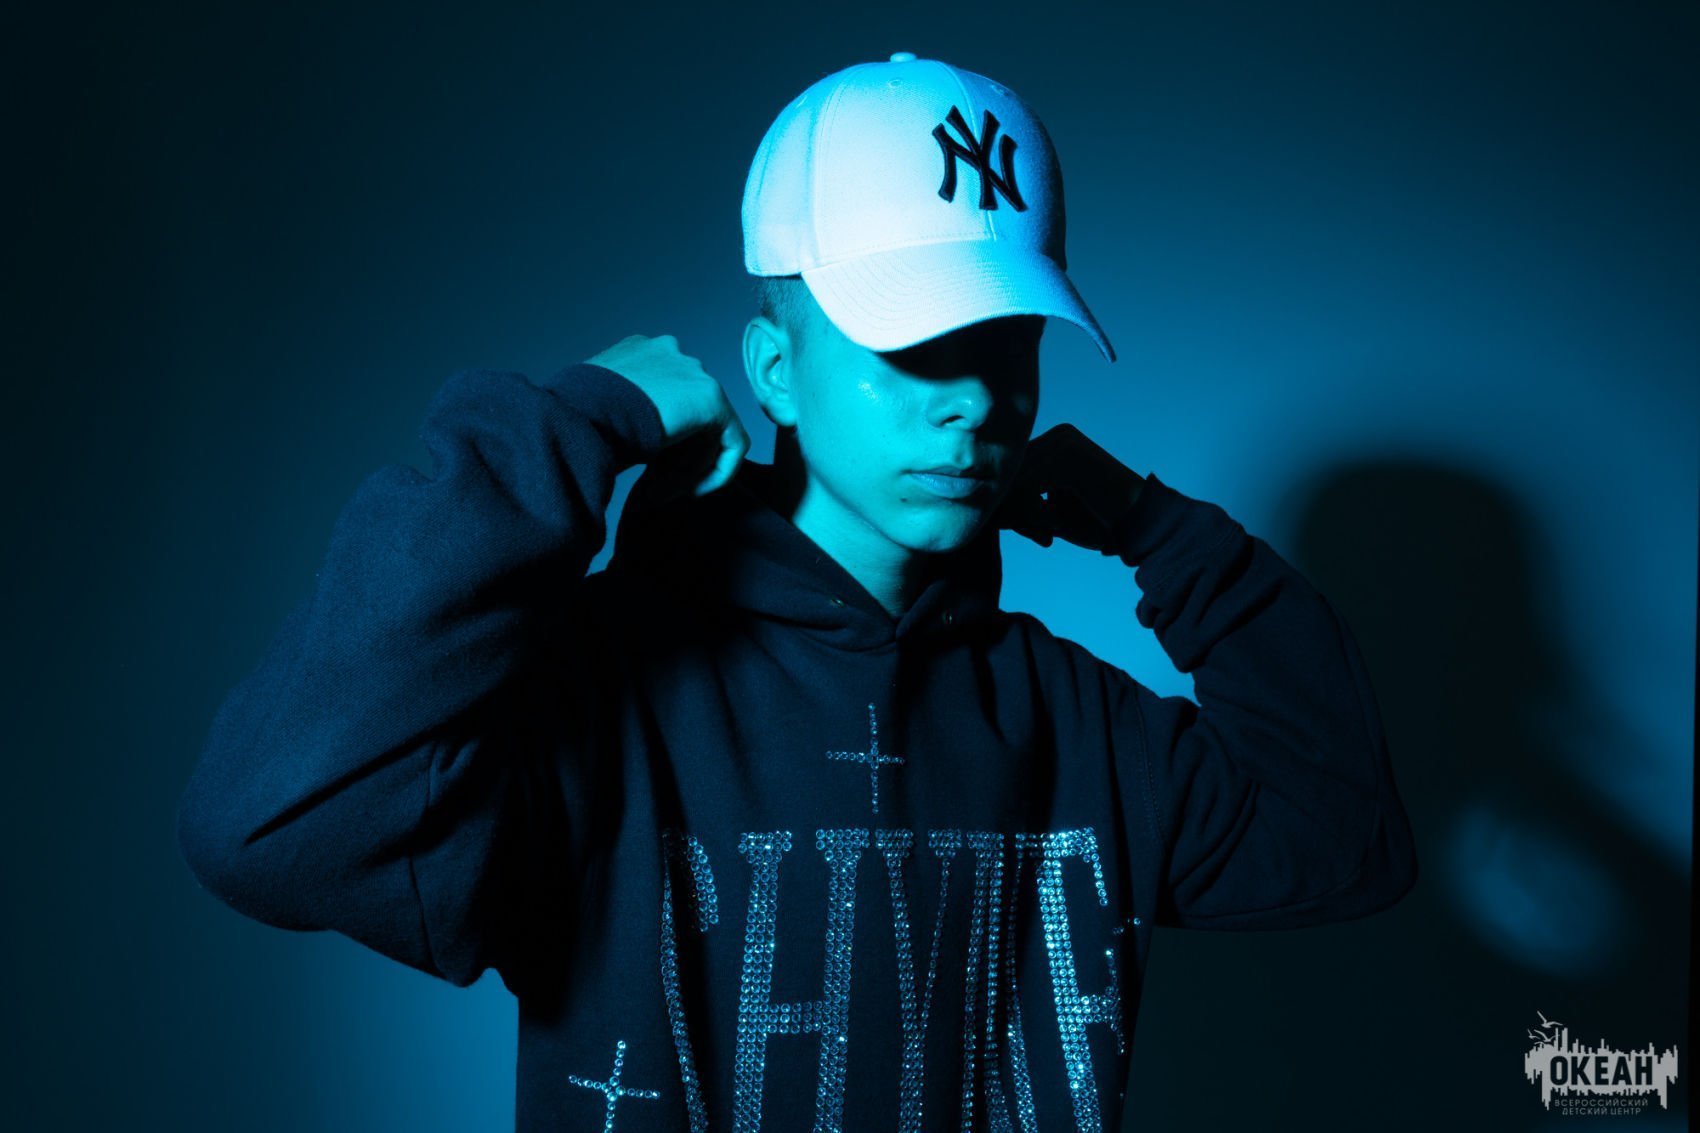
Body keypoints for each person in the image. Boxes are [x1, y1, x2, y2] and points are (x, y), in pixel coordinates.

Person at [177, 52, 1418, 1131]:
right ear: (774, 366)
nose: (971, 401)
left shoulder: (1071, 717)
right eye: (912, 346)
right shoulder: (602, 694)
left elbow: (1342, 840)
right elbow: (269, 827)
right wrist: (571, 426)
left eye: (1006, 346)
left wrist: (1155, 530)